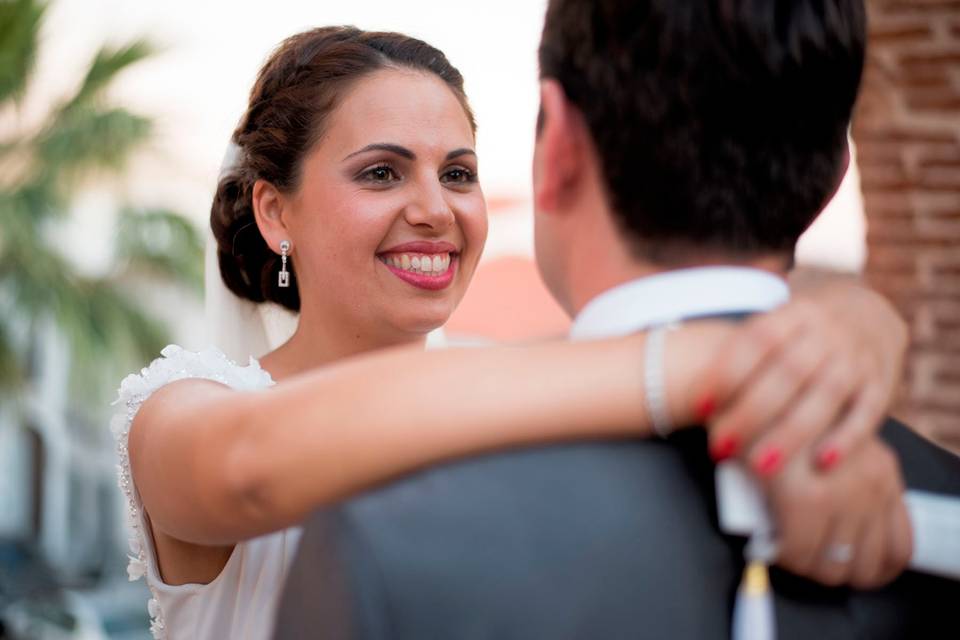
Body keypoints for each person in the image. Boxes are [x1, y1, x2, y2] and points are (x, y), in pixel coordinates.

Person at [113, 25, 910, 640]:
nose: (436, 208)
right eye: (382, 172)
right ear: (274, 211)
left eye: (457, 173)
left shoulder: (518, 390)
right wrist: (731, 351)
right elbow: (246, 468)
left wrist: (851, 326)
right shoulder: (180, 409)